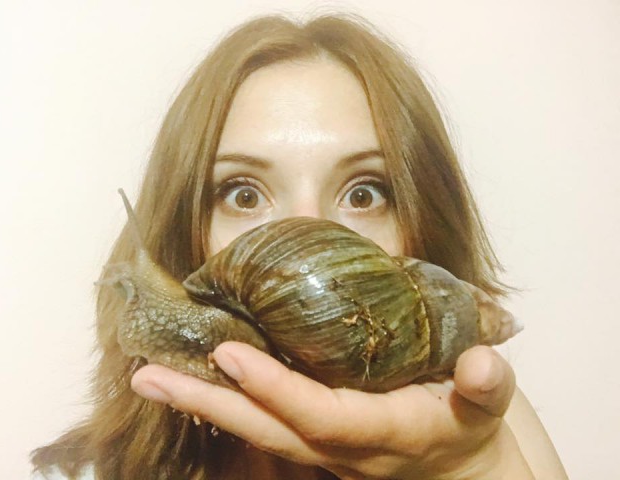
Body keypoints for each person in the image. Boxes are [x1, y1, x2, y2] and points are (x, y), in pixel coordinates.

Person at [31, 13, 568, 480]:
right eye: (244, 195)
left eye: (363, 194)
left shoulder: (492, 429)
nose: (308, 230)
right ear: (186, 228)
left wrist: (471, 469)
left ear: (422, 227)